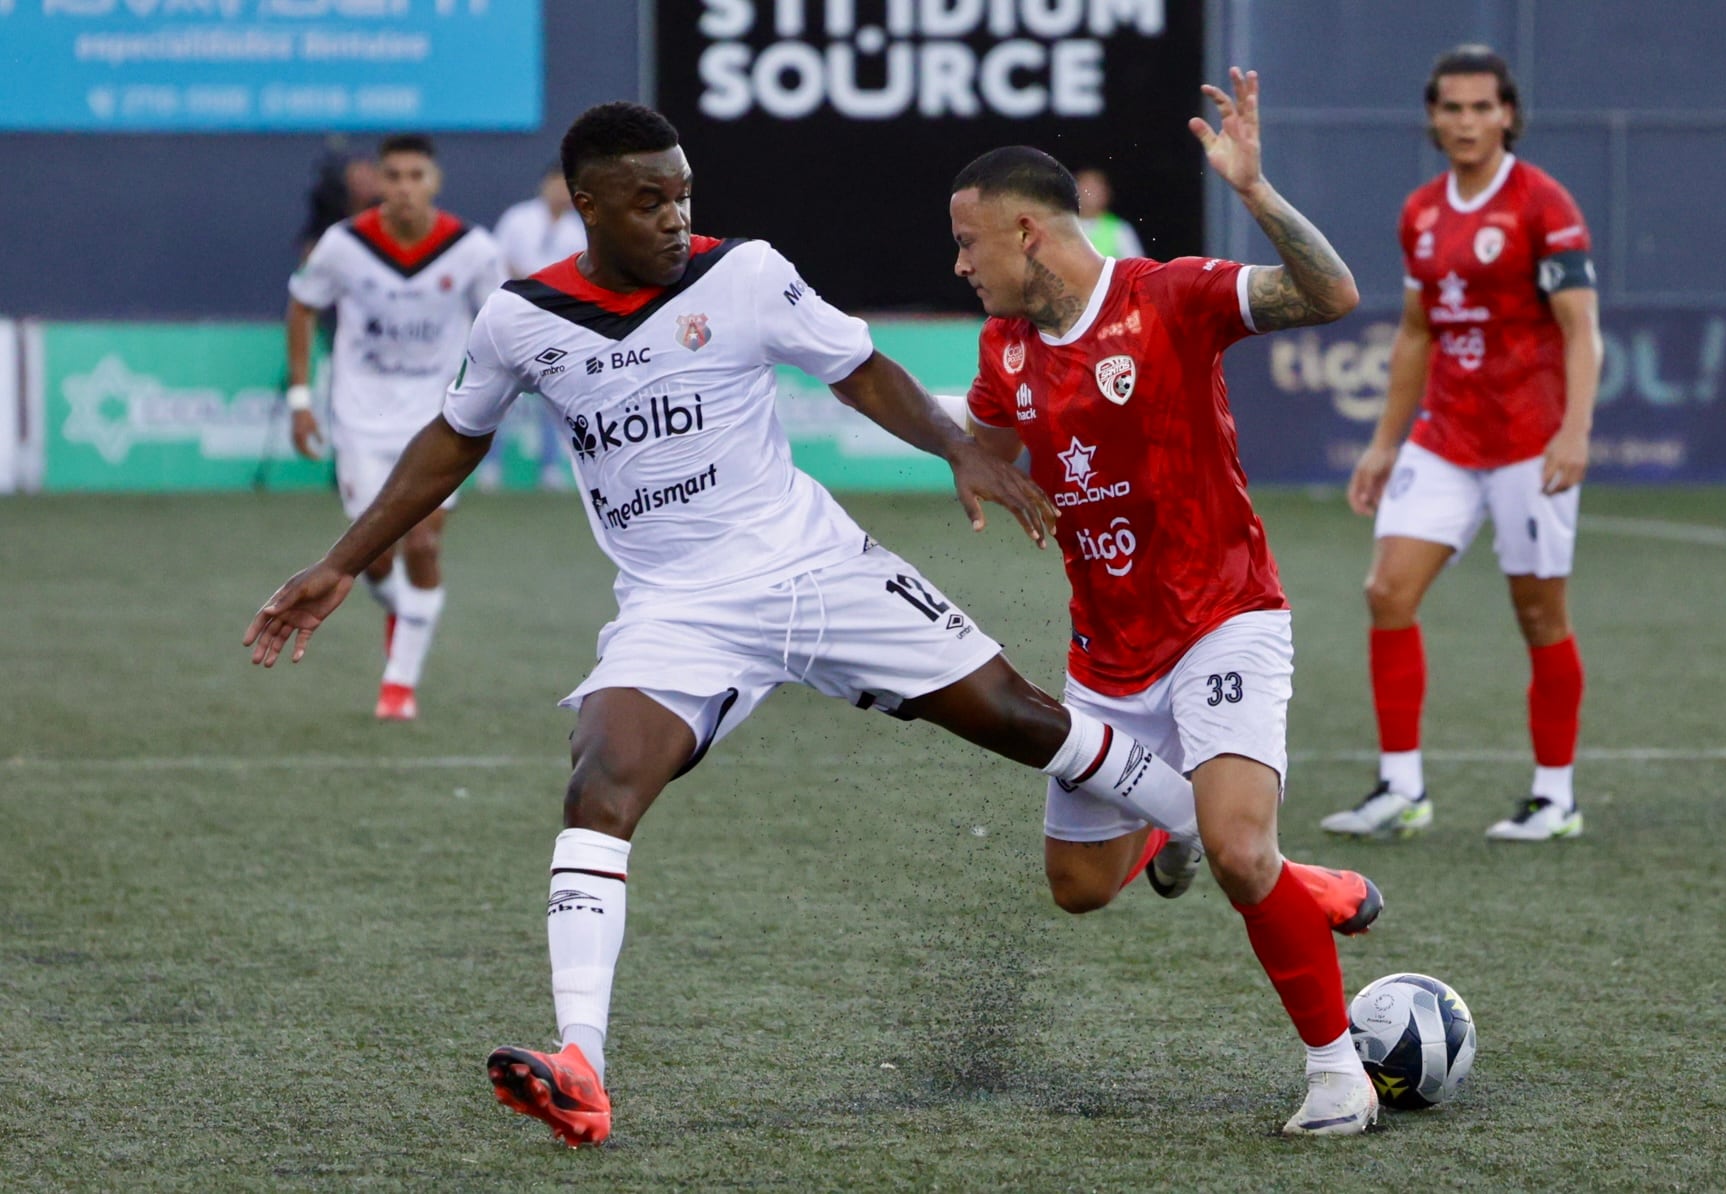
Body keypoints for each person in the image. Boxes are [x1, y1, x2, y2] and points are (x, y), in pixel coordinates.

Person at [244, 101, 1328, 1149]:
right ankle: (581, 1065)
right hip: (678, 609)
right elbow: (452, 437)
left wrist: (959, 450)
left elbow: (861, 373)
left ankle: (1233, 845)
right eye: (649, 200)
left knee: (1018, 719)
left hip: (817, 569)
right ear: (588, 203)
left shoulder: (746, 274)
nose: (675, 216)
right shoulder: (521, 319)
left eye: (683, 196)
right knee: (599, 780)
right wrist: (341, 562)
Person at [956, 68, 1384, 1136]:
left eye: (970, 244)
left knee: (1242, 853)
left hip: (1224, 615)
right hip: (1107, 655)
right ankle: (1232, 849)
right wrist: (980, 469)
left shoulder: (1169, 296)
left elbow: (1332, 298)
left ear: (1026, 232)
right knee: (1079, 888)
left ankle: (1338, 1074)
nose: (960, 265)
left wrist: (1258, 194)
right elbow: (993, 435)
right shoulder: (1005, 348)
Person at [1320, 45, 1601, 843]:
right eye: (1452, 107)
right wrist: (1383, 443)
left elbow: (1581, 330)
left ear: (1507, 113)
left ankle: (1555, 797)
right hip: (1443, 436)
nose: (1467, 121)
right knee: (1386, 592)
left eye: (1482, 107)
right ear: (1432, 118)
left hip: (1529, 440)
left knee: (1538, 613)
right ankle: (1400, 790)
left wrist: (1574, 430)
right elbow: (1415, 333)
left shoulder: (1543, 204)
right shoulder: (1421, 211)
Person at [283, 133, 504, 721]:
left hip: (440, 418)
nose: (405, 187)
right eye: (394, 176)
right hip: (359, 418)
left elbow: (503, 324)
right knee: (373, 559)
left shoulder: (472, 249)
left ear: (434, 182)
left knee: (424, 542)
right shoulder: (344, 244)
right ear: (380, 182)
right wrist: (301, 397)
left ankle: (399, 685)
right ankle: (400, 611)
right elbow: (303, 304)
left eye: (416, 176)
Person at [485, 162, 592, 491]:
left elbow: (583, 275)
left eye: (566, 186)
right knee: (500, 396)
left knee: (556, 396)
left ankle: (550, 466)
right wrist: (534, 284)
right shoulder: (518, 219)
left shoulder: (578, 229)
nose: (560, 192)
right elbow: (496, 261)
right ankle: (490, 467)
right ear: (544, 185)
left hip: (558, 324)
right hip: (517, 319)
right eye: (555, 184)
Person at [1074, 167, 1144, 259]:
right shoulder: (1059, 227)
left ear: (1107, 194)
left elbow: (1137, 269)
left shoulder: (1119, 229)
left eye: (1096, 188)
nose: (1090, 194)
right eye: (1085, 187)